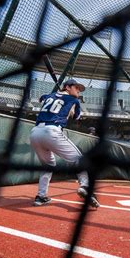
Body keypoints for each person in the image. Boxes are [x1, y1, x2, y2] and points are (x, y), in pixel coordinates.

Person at [30, 79, 100, 207]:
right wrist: (72, 109)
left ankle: (41, 196)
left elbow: (42, 98)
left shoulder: (49, 95)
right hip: (51, 131)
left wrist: (61, 99)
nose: (78, 90)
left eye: (79, 88)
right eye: (76, 88)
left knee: (48, 165)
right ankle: (85, 186)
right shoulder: (74, 100)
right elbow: (76, 117)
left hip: (35, 133)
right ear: (67, 87)